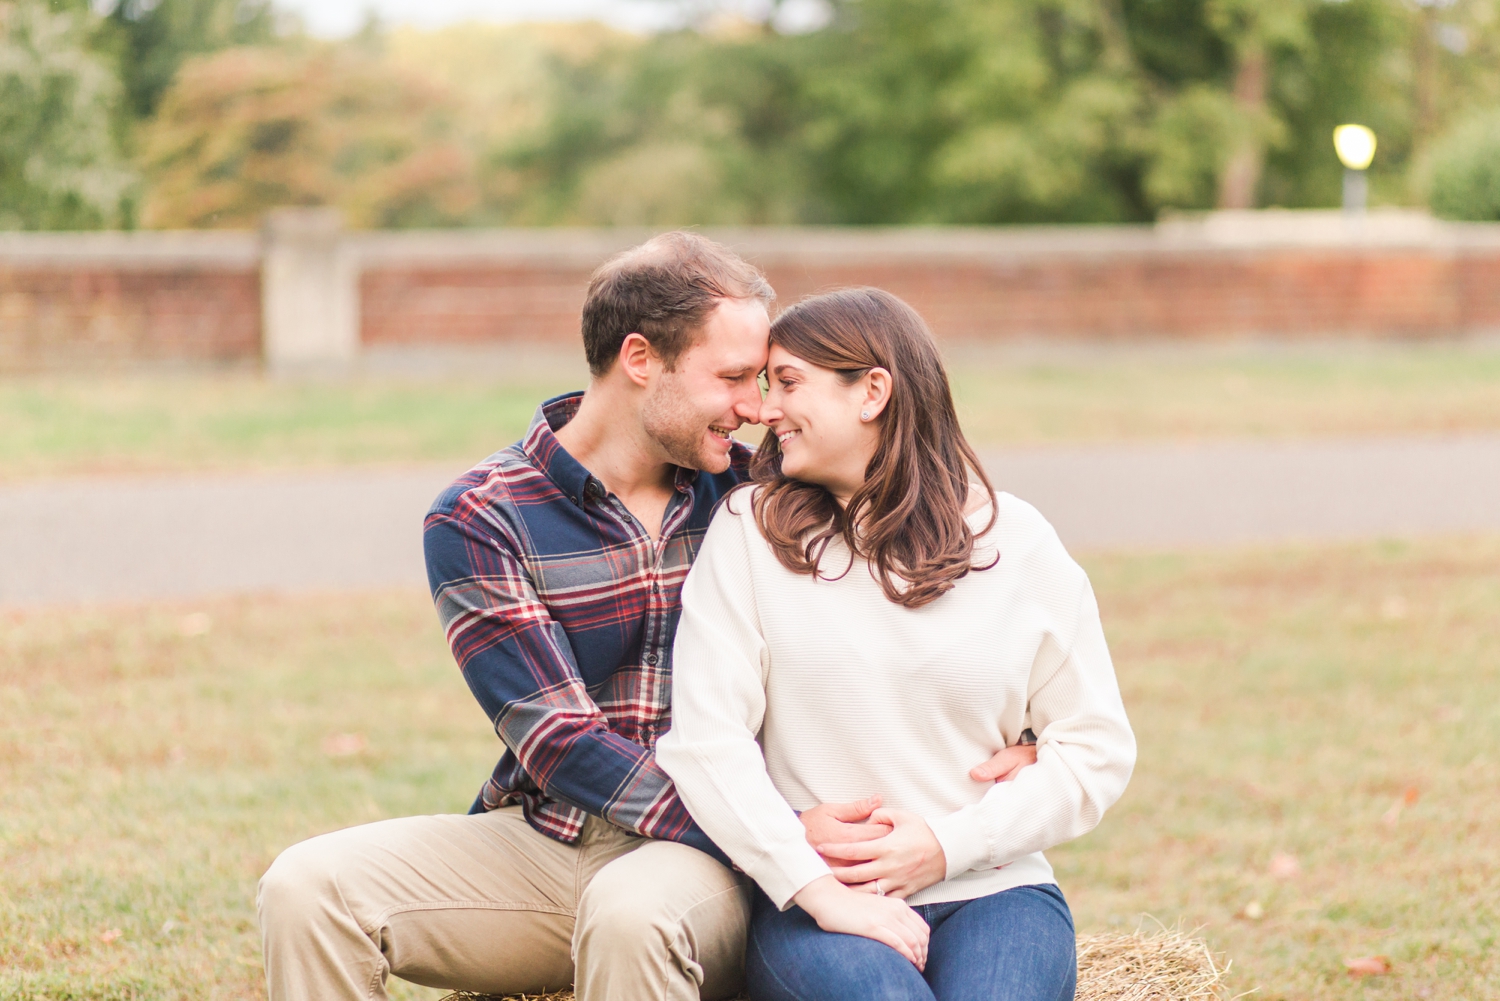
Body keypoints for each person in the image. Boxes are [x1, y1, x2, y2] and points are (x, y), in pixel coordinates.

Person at [256, 234, 1036, 1001]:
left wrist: (1027, 728)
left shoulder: (757, 487)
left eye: (763, 380)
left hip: (720, 856)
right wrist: (795, 827)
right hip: (553, 837)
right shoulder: (482, 516)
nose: (756, 407)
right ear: (640, 360)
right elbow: (559, 740)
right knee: (304, 887)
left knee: (632, 917)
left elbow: (914, 566)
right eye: (733, 376)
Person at [656, 288, 1137, 1001]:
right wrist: (812, 882)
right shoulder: (747, 534)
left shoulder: (1018, 542)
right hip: (819, 900)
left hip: (996, 890)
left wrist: (947, 845)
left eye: (788, 383)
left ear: (873, 391)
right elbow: (706, 742)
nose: (766, 410)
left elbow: (1096, 747)